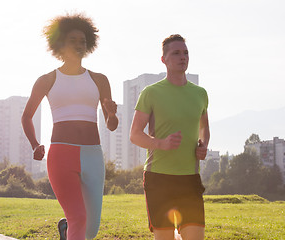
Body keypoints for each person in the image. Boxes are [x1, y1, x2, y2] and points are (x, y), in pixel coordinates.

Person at [21, 13, 118, 240]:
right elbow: (27, 116)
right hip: (61, 154)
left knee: (90, 228)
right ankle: (71, 226)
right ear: (61, 44)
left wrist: (112, 113)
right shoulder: (47, 80)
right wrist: (35, 144)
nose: (78, 45)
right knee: (78, 218)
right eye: (73, 40)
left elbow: (111, 125)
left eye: (82, 41)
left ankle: (65, 230)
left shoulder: (100, 80)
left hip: (92, 155)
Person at [130, 34, 210, 240]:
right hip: (159, 178)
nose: (182, 57)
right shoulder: (151, 93)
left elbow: (204, 129)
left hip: (190, 179)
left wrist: (203, 146)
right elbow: (135, 134)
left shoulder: (200, 93)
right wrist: (161, 144)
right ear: (163, 59)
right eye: (176, 53)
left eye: (185, 53)